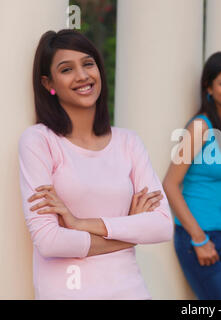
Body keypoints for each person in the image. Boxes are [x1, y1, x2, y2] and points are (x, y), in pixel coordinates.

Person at [19, 29, 172, 299]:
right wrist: (131, 228)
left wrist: (79, 223)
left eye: (88, 64)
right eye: (67, 69)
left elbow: (161, 225)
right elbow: (50, 241)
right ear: (47, 83)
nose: (82, 75)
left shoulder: (128, 142)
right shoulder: (39, 141)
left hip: (130, 290)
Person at [163, 52, 221, 300]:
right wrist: (199, 239)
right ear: (209, 87)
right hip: (201, 236)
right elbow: (170, 184)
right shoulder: (200, 127)